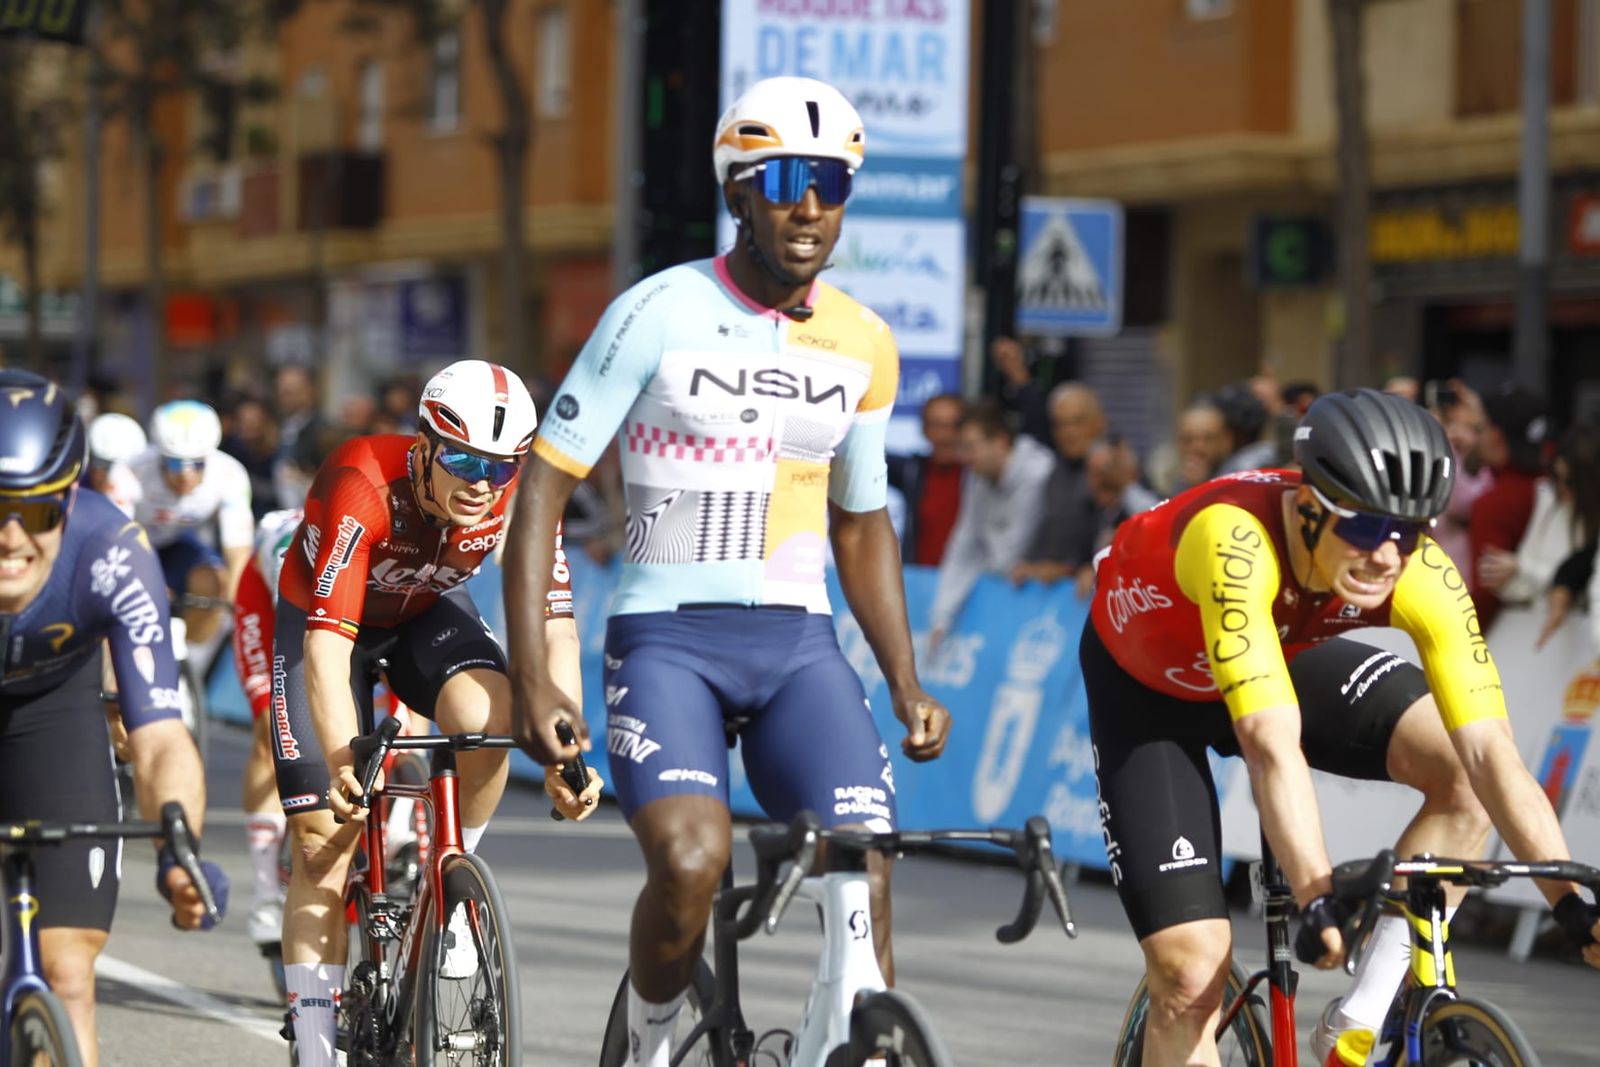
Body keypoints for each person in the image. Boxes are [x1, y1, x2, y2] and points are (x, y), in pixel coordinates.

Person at [499, 75, 952, 1067]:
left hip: (796, 645)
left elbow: (862, 520)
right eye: (784, 179)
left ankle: (849, 1036)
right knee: (693, 862)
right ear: (738, 190)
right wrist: (535, 676)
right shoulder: (657, 309)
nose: (808, 204)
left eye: (830, 182)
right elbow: (542, 487)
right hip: (669, 639)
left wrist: (906, 680)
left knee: (864, 855)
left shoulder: (864, 341)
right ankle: (655, 1038)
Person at [1081, 388, 1600, 1067]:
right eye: (1363, 528)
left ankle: (1356, 1023)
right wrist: (1317, 896)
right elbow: (1270, 744)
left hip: (1281, 651)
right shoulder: (1234, 538)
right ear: (1307, 509)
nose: (1387, 556)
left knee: (1461, 779)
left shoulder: (1421, 570)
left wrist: (1571, 906)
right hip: (1149, 692)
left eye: (1410, 532)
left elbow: (1490, 754)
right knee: (1189, 975)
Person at [271, 360, 597, 1067]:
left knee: (497, 713)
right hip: (328, 624)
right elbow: (328, 649)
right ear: (424, 445)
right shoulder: (361, 482)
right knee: (326, 846)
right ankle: (319, 1045)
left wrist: (568, 755)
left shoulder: (518, 500)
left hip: (426, 610)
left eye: (502, 468)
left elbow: (554, 630)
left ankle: (453, 889)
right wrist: (340, 759)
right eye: (463, 459)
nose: (482, 484)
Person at [0, 370, 225, 1065]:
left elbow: (158, 733)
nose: (10, 538)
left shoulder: (114, 552)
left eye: (33, 511)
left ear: (69, 499)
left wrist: (178, 847)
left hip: (52, 710)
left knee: (67, 974)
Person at [126, 399, 255, 647]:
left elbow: (238, 549)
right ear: (160, 457)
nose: (186, 474)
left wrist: (235, 600)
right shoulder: (133, 471)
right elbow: (113, 538)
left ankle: (191, 655)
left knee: (215, 583)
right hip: (136, 542)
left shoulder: (230, 474)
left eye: (197, 464)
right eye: (175, 463)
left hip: (179, 542)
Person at [886, 393, 965, 566]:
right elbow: (863, 455)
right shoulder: (912, 471)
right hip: (918, 582)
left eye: (953, 426)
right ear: (924, 430)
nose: (944, 435)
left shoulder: (979, 476)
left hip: (973, 584)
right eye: (935, 425)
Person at [85, 411, 146, 518]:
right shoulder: (76, 492)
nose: (112, 479)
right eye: (102, 465)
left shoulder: (141, 491)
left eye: (129, 467)